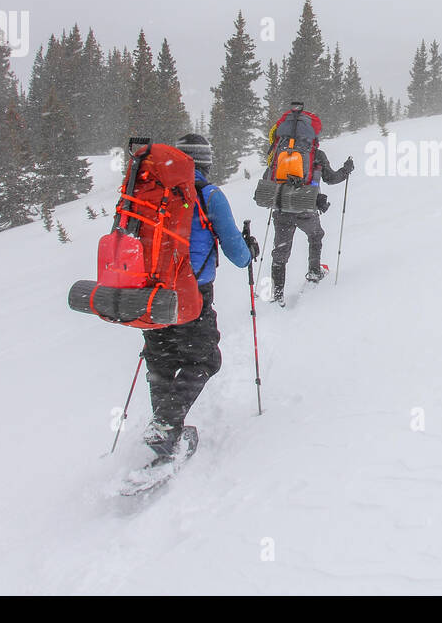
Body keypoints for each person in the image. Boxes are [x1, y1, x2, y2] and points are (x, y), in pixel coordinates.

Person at [139, 133, 260, 459]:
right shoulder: (208, 195)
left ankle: (165, 430)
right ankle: (165, 427)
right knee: (205, 359)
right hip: (191, 293)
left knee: (161, 361)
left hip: (150, 292)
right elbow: (237, 254)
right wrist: (250, 250)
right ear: (204, 162)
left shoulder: (152, 193)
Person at [264, 107, 354, 303]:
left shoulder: (279, 150)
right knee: (315, 235)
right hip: (305, 207)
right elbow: (331, 178)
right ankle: (314, 272)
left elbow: (267, 177)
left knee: (280, 253)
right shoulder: (315, 154)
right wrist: (346, 170)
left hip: (281, 208)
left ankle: (277, 295)